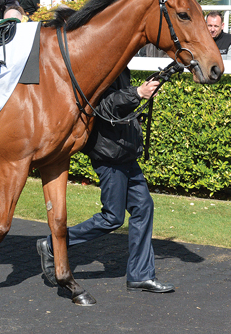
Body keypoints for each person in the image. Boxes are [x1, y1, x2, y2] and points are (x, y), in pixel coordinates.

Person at [37, 68, 175, 294]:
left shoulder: (122, 69)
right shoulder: (102, 69)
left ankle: (141, 275)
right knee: (112, 217)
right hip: (110, 156)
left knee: (143, 207)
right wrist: (138, 93)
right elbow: (103, 107)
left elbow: (121, 105)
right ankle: (53, 243)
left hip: (125, 154)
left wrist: (141, 91)